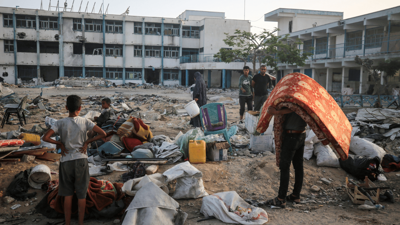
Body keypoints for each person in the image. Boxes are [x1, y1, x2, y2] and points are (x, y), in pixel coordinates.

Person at [42, 95, 106, 225]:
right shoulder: (85, 122)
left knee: (67, 194)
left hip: (66, 161)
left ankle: (67, 223)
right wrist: (87, 142)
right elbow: (103, 134)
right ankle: (80, 223)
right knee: (82, 194)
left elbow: (45, 137)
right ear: (80, 108)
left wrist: (60, 144)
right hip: (81, 160)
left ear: (66, 108)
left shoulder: (59, 123)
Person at [265, 106, 307, 208]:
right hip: (301, 133)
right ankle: (295, 195)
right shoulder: (305, 95)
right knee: (298, 166)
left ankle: (281, 199)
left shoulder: (295, 94)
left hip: (292, 135)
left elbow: (295, 108)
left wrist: (276, 111)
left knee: (284, 166)